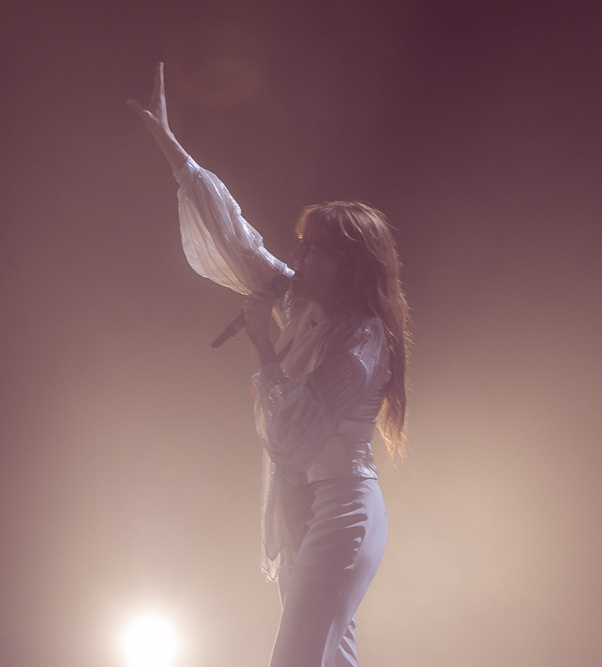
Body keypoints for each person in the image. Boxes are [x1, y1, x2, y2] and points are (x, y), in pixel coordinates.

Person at [128, 63, 410, 667]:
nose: (300, 259)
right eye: (302, 248)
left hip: (343, 513)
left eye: (316, 253)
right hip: (302, 509)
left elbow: (295, 437)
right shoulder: (297, 299)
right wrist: (174, 152)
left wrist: (262, 347)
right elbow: (239, 244)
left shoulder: (361, 339)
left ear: (351, 267)